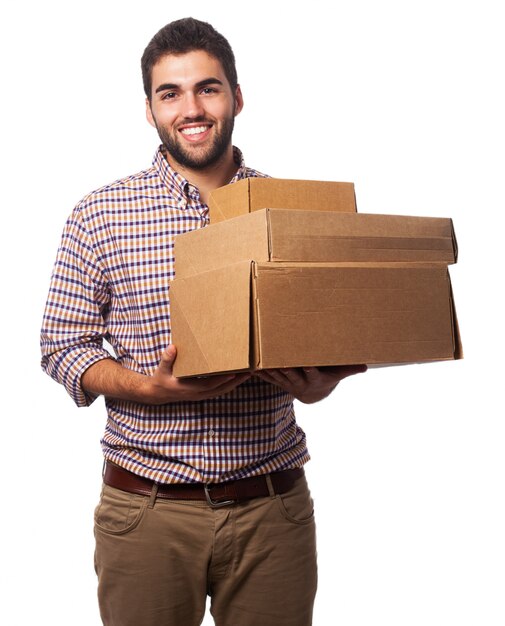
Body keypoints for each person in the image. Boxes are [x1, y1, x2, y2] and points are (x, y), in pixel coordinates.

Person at [40, 17, 366, 626]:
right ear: (150, 109)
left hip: (273, 510)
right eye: (171, 93)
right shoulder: (99, 214)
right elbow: (61, 347)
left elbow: (329, 333)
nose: (191, 108)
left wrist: (324, 383)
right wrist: (147, 387)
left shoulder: (291, 209)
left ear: (237, 97)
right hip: (147, 513)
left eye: (208, 89)